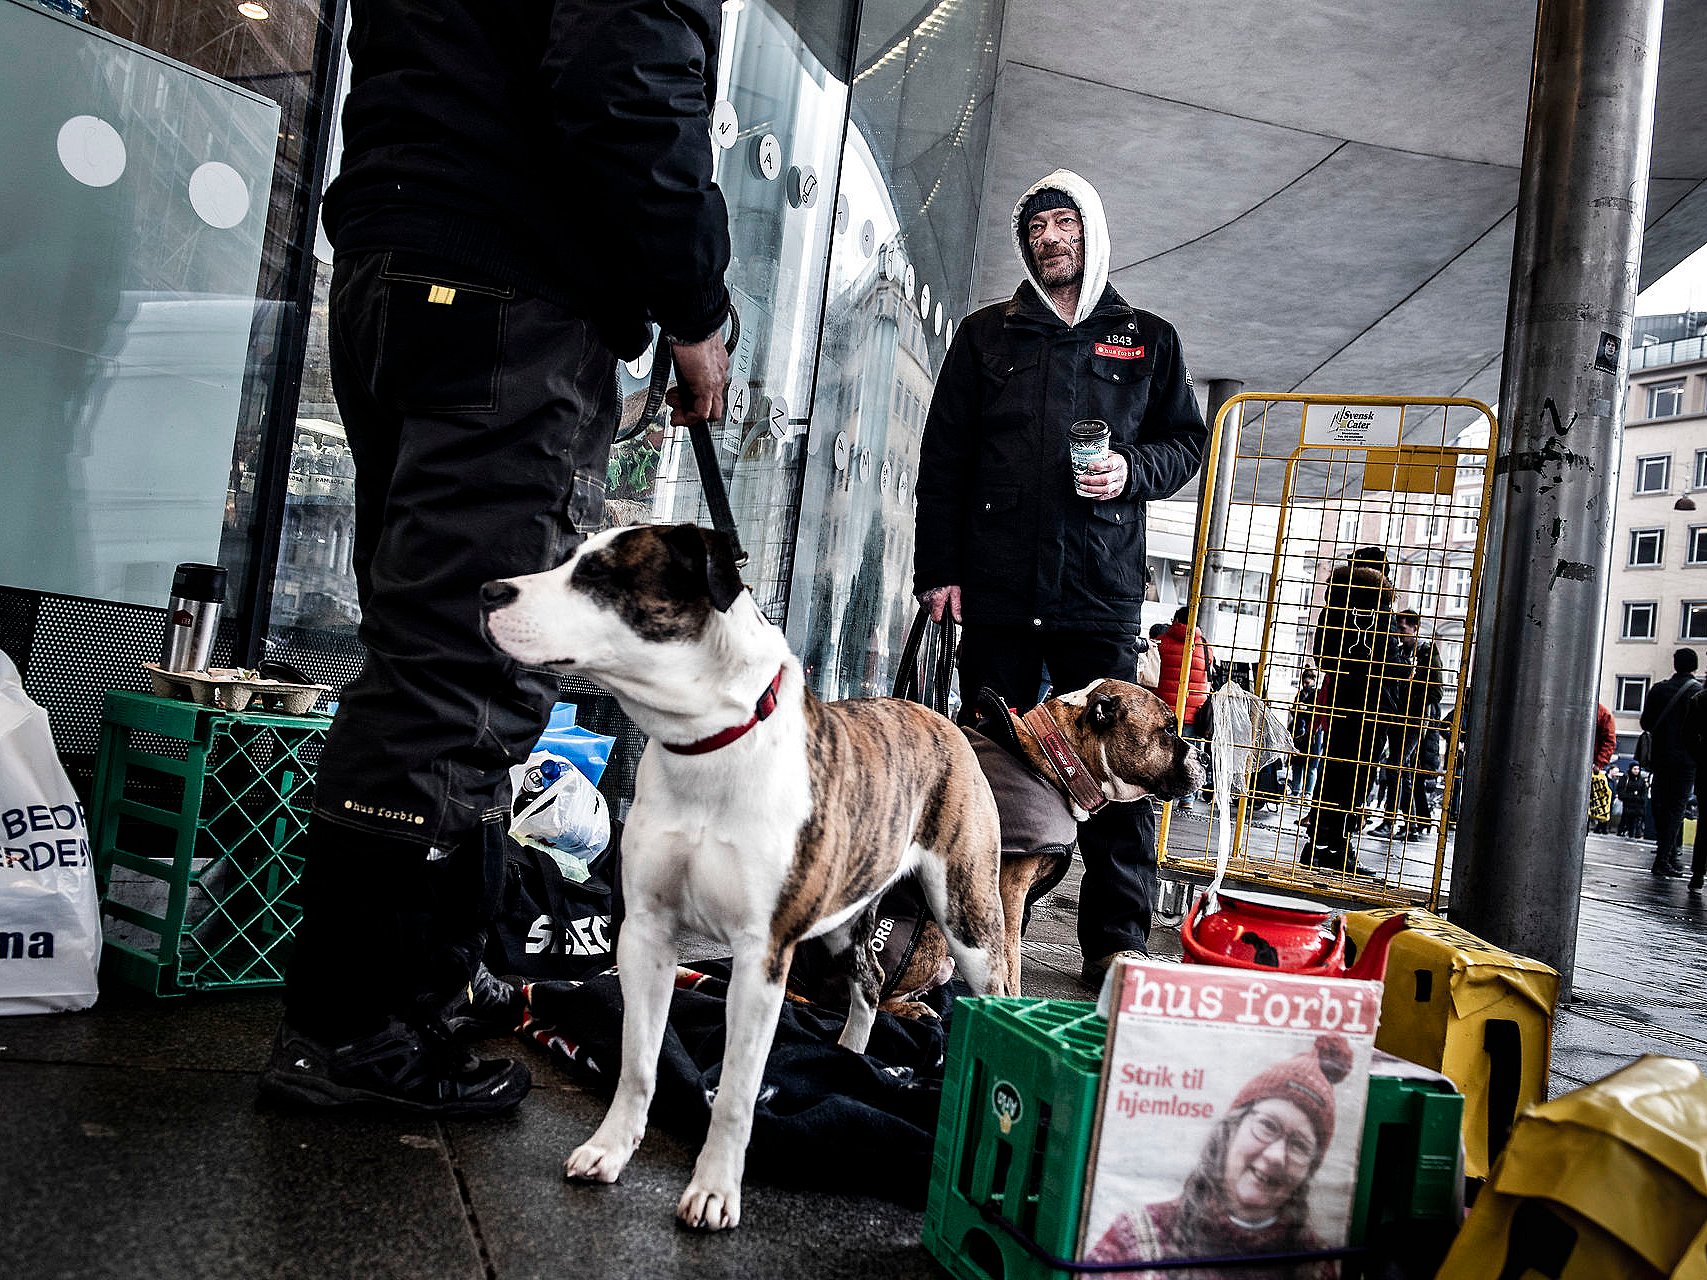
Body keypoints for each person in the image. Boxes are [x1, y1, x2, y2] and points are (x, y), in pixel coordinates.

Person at [261, 0, 733, 1117]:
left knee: (421, 647)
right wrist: (696, 303)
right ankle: (358, 1031)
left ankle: (404, 987)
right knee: (463, 666)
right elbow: (627, 73)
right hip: (510, 291)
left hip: (400, 263)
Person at [913, 169, 1208, 988]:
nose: (1049, 238)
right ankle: (971, 923)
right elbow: (944, 462)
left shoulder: (1147, 338)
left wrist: (1131, 468)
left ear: (1093, 232)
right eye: (1036, 227)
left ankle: (1114, 942)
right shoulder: (984, 336)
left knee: (1126, 768)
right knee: (984, 763)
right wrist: (938, 570)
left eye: (1063, 222)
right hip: (999, 589)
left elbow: (1187, 443)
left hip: (1097, 592)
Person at [1084, 1034, 1350, 1279]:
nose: (1276, 1156)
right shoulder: (1138, 1238)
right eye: (1267, 1126)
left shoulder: (1316, 1265)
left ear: (1310, 1171)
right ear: (1230, 1131)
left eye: (1299, 1146)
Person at [1301, 547, 1397, 876]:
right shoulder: (1377, 608)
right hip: (1371, 700)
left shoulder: (1335, 605)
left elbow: (1323, 655)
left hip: (1345, 697)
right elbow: (1391, 660)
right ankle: (1337, 845)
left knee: (1335, 771)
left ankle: (1321, 843)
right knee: (1356, 777)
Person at [1640, 648, 1701, 878]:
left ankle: (1669, 854)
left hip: (1660, 758)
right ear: (1694, 667)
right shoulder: (1697, 693)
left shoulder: (1659, 690)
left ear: (1674, 664)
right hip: (1687, 761)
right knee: (1677, 807)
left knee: (1661, 805)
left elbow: (1646, 722)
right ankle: (1664, 858)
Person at [1288, 668, 1324, 803]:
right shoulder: (1300, 694)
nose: (1307, 681)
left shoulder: (1317, 694)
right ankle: (1296, 790)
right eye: (1305, 677)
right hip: (1299, 732)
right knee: (1297, 763)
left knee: (1311, 764)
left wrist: (1306, 709)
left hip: (1313, 733)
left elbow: (1318, 712)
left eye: (1310, 678)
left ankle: (1308, 792)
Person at [1618, 763, 1651, 838]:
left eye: (1638, 769)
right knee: (1625, 821)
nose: (1636, 771)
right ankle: (1623, 831)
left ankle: (1634, 833)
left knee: (1635, 824)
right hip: (1627, 806)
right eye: (1635, 769)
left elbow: (1644, 793)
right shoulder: (1625, 778)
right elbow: (1621, 791)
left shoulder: (1641, 780)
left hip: (1637, 807)